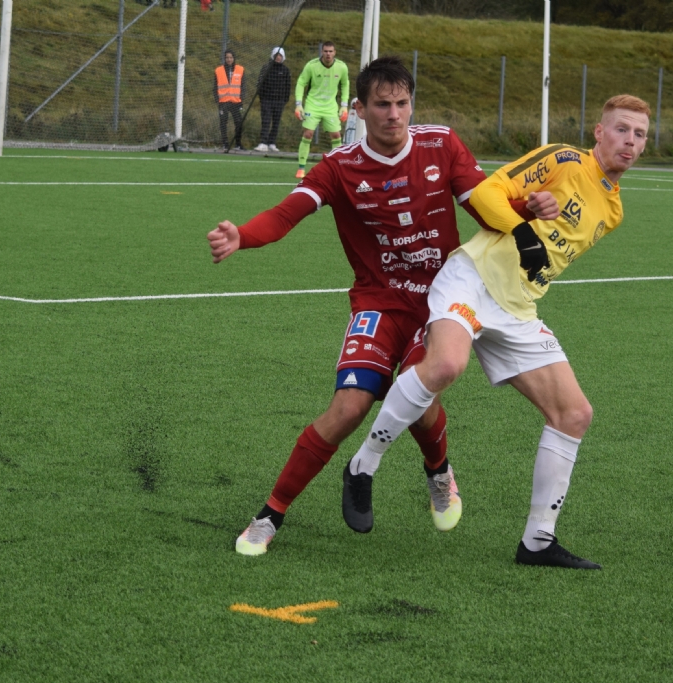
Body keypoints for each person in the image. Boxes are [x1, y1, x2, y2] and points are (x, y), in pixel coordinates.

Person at [206, 56, 558, 556]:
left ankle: (438, 470)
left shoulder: (441, 144)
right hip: (377, 300)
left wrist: (527, 208)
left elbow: (483, 205)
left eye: (402, 103)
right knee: (348, 407)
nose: (394, 114)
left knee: (420, 396)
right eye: (382, 105)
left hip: (440, 301)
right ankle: (270, 515)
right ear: (360, 109)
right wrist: (243, 235)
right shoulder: (340, 166)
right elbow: (287, 214)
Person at [340, 94, 652, 570]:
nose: (629, 141)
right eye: (621, 129)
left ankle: (538, 542)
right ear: (599, 132)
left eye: (640, 134)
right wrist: (524, 226)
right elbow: (487, 193)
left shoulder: (613, 211)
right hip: (472, 279)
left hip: (517, 307)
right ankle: (364, 464)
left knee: (574, 414)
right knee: (446, 364)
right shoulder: (565, 160)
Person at [293, 41, 348, 179]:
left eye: (331, 51)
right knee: (308, 134)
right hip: (313, 104)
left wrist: (344, 105)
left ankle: (338, 168)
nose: (328, 54)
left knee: (336, 135)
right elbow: (301, 82)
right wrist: (299, 104)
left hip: (330, 106)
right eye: (326, 51)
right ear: (322, 52)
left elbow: (345, 85)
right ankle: (301, 168)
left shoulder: (341, 67)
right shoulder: (311, 66)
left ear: (335, 52)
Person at [255, 47, 292, 153]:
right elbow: (260, 83)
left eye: (280, 55)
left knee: (276, 122)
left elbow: (288, 86)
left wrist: (284, 100)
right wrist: (262, 98)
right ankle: (263, 143)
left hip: (279, 101)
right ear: (273, 56)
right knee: (266, 121)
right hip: (267, 100)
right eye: (276, 55)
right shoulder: (266, 68)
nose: (278, 57)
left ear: (283, 57)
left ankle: (272, 143)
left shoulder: (285, 70)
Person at [214, 50, 244, 153]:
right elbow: (215, 86)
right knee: (223, 122)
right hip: (223, 101)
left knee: (239, 122)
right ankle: (225, 143)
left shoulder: (240, 69)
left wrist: (241, 98)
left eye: (231, 57)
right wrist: (217, 99)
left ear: (234, 58)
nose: (229, 59)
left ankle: (238, 144)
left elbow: (243, 86)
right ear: (224, 58)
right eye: (227, 57)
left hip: (236, 101)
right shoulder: (219, 70)